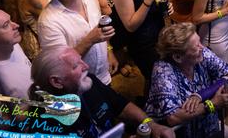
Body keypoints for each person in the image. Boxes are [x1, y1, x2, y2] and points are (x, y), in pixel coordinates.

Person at [31, 46, 174, 138]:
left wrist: (150, 123)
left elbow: (120, 104)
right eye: (75, 66)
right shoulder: (43, 123)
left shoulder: (88, 82)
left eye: (81, 60)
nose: (85, 66)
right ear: (57, 82)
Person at [145, 23, 228, 137]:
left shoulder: (202, 53)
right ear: (178, 57)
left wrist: (202, 94)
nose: (202, 47)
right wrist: (212, 104)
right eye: (196, 46)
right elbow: (173, 117)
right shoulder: (162, 70)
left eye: (200, 42)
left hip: (208, 129)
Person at [38, 0, 117, 85]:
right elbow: (58, 65)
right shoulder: (48, 21)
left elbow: (100, 28)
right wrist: (89, 40)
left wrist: (109, 51)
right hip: (79, 84)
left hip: (104, 76)